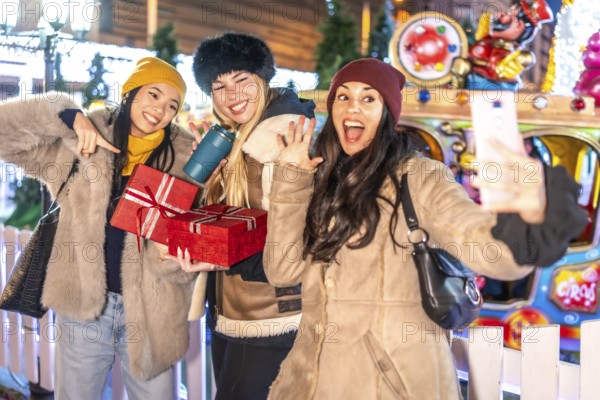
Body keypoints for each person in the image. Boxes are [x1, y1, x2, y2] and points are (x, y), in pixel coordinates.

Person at [263, 58, 587, 399]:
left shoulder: (419, 177)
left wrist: (528, 214)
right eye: (343, 97)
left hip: (391, 384)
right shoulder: (322, 178)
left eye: (368, 98)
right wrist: (291, 184)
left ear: (387, 112)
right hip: (311, 382)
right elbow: (282, 270)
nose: (352, 106)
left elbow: (490, 251)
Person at [0, 57, 199, 399]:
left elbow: (193, 237)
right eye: (153, 95)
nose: (160, 110)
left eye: (172, 105)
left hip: (154, 314)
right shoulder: (79, 142)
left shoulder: (186, 159)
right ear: (130, 91)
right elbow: (6, 134)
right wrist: (67, 115)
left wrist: (177, 259)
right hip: (84, 307)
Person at [174, 33, 315, 399]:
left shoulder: (287, 138)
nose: (232, 96)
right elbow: (229, 218)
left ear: (263, 80)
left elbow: (300, 239)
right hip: (229, 312)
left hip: (274, 316)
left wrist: (217, 256)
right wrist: (211, 176)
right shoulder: (232, 139)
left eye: (242, 81)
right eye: (219, 86)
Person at [451, 0, 553, 90]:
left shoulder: (504, 51)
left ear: (519, 27)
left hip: (488, 88)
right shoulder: (488, 39)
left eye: (509, 14)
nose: (500, 15)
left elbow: (500, 69)